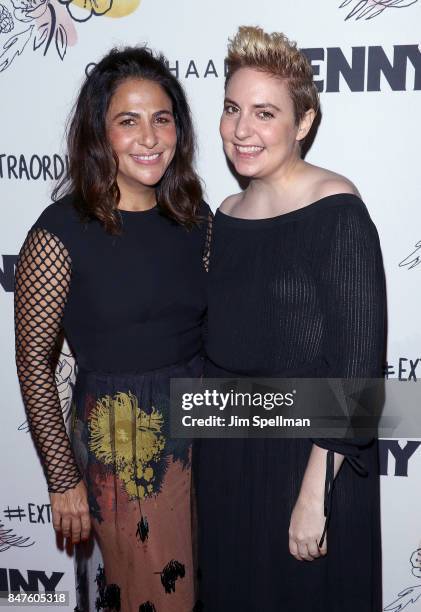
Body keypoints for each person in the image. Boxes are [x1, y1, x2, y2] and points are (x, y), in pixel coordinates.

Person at [194, 27, 386, 611]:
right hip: (229, 462)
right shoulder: (223, 215)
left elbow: (358, 378)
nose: (241, 129)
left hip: (310, 462)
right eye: (232, 109)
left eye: (264, 112)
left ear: (302, 124)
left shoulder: (338, 210)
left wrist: (315, 495)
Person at [14, 46, 211, 612]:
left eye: (162, 119)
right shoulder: (60, 232)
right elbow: (34, 362)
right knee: (156, 597)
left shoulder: (196, 219)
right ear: (100, 134)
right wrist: (61, 477)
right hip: (123, 437)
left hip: (205, 424)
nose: (149, 138)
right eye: (128, 121)